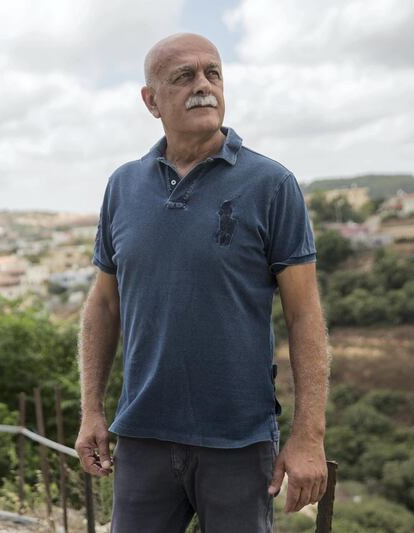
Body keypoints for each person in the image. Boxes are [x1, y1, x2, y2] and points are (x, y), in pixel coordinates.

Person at [75, 32, 329, 533]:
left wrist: (309, 436)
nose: (203, 85)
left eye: (212, 73)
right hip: (143, 436)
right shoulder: (122, 186)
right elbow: (103, 306)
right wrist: (91, 411)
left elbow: (305, 317)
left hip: (239, 443)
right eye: (184, 76)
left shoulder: (272, 185)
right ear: (151, 101)